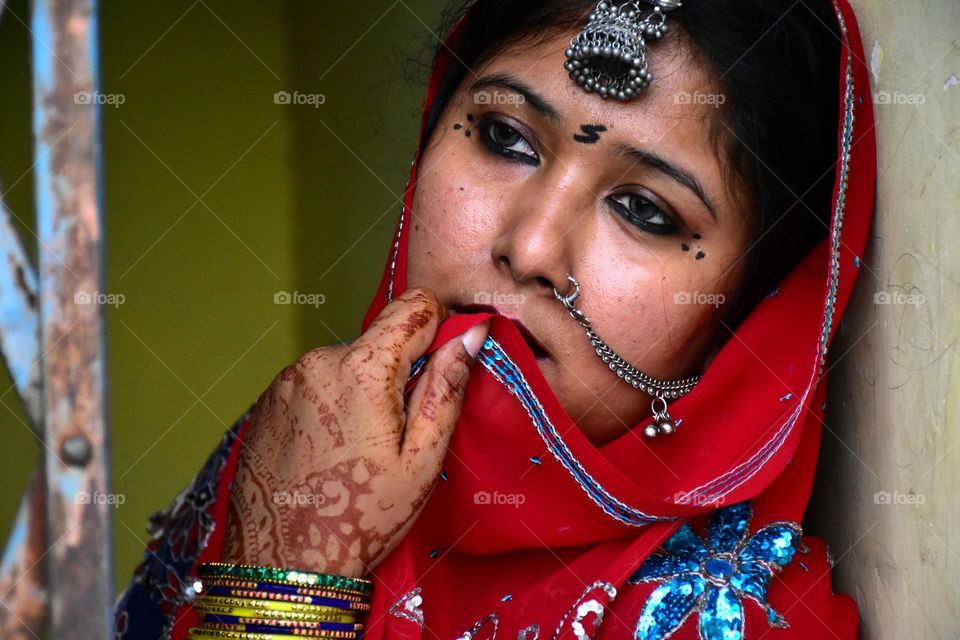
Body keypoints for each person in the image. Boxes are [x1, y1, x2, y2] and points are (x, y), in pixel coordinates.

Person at [114, 0, 877, 638]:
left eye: (643, 209)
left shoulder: (723, 619)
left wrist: (286, 590)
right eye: (505, 137)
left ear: (751, 316)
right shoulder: (301, 450)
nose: (530, 247)